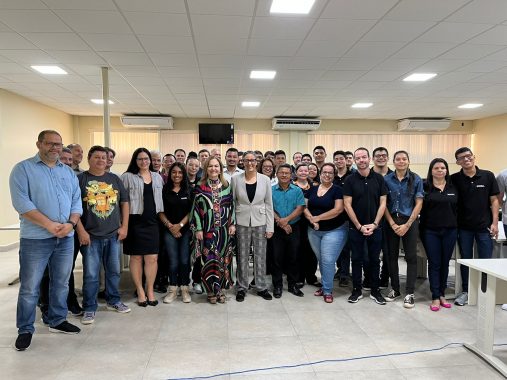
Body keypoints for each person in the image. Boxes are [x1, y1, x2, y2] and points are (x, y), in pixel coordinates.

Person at [10, 130, 82, 351]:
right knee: (30, 287)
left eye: (58, 144)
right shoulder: (23, 170)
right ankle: (25, 328)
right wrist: (49, 225)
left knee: (61, 282)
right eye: (50, 143)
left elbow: (76, 201)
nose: (55, 148)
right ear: (39, 144)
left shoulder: (67, 172)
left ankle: (57, 320)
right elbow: (22, 204)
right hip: (36, 238)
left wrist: (70, 224)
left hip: (66, 237)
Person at [76, 146, 131, 325]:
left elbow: (125, 202)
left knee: (114, 271)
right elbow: (73, 208)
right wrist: (81, 231)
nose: (101, 160)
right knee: (91, 274)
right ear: (89, 159)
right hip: (90, 236)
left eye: (104, 157)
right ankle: (89, 307)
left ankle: (113, 300)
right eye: (97, 157)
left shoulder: (114, 179)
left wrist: (124, 227)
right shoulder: (80, 179)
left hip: (113, 235)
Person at [451, 147, 499, 306]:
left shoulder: (488, 176)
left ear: (474, 157)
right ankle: (466, 291)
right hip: (463, 228)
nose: (466, 159)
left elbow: (494, 201)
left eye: (468, 156)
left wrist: (494, 223)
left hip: (484, 227)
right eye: (461, 158)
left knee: (486, 260)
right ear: (457, 162)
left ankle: (486, 292)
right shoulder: (454, 179)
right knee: (465, 260)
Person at [343, 147, 388, 305]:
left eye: (364, 157)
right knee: (356, 259)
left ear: (369, 159)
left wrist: (375, 224)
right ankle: (356, 290)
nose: (361, 160)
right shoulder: (350, 180)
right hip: (356, 228)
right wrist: (359, 226)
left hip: (376, 227)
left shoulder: (379, 179)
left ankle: (375, 291)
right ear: (354, 160)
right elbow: (347, 205)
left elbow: (383, 203)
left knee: (375, 260)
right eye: (358, 158)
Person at [121, 148, 164, 307]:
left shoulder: (157, 177)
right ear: (135, 160)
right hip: (134, 223)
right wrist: (123, 225)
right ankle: (139, 290)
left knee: (152, 258)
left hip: (152, 223)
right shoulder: (127, 177)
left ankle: (150, 290)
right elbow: (122, 202)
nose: (144, 162)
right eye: (140, 159)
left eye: (146, 159)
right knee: (136, 257)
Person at [191, 157, 235, 304]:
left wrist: (232, 224)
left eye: (216, 166)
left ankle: (221, 289)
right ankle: (210, 290)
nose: (213, 169)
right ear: (206, 168)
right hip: (207, 231)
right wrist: (198, 228)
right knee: (208, 260)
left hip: (223, 231)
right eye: (210, 166)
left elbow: (232, 206)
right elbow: (196, 210)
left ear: (220, 169)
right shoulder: (200, 185)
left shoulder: (227, 185)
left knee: (223, 260)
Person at [232, 151, 274, 302]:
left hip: (261, 221)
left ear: (257, 162)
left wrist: (270, 227)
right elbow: (232, 203)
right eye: (246, 160)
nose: (250, 163)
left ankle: (261, 287)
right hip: (241, 221)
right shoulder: (236, 179)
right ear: (242, 162)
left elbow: (269, 204)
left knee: (260, 256)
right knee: (242, 256)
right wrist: (232, 223)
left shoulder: (265, 180)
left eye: (253, 160)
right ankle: (242, 287)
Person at [383, 151, 423, 308]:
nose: (401, 161)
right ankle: (395, 289)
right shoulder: (386, 180)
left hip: (410, 221)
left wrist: (407, 225)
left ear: (408, 161)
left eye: (404, 159)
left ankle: (409, 292)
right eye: (398, 159)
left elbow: (419, 203)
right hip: (391, 220)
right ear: (393, 162)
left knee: (411, 257)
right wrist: (392, 224)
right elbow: (383, 204)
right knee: (391, 256)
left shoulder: (416, 179)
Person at [304, 163, 348, 303]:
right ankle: (324, 286)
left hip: (335, 230)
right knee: (322, 259)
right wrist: (312, 219)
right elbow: (304, 206)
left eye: (330, 173)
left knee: (328, 260)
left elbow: (338, 210)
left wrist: (318, 218)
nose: (327, 175)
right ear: (320, 173)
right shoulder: (312, 189)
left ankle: (328, 290)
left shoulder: (338, 190)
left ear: (334, 175)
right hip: (314, 231)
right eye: (324, 172)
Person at [420, 158, 458, 311]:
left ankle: (442, 293)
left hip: (450, 230)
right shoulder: (425, 187)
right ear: (431, 170)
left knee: (445, 263)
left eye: (443, 167)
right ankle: (435, 296)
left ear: (447, 170)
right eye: (436, 168)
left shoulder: (453, 187)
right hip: (430, 231)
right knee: (434, 263)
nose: (440, 170)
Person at [160, 162, 193, 304]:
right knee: (173, 261)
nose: (177, 175)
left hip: (185, 230)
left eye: (180, 172)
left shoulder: (189, 190)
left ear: (184, 174)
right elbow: (160, 211)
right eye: (174, 172)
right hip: (168, 230)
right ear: (170, 173)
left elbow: (191, 212)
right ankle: (172, 289)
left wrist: (179, 226)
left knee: (184, 261)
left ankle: (185, 289)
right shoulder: (164, 190)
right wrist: (170, 226)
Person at [271, 164, 305, 298]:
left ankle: (292, 285)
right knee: (276, 258)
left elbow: (300, 207)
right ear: (277, 174)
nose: (284, 175)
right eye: (281, 173)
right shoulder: (271, 190)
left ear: (291, 175)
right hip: (277, 228)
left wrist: (286, 220)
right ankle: (278, 286)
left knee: (293, 257)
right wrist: (281, 222)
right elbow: (268, 207)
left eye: (287, 173)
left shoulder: (297, 190)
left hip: (294, 227)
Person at [293, 163, 320, 288]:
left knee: (311, 251)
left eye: (306, 170)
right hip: (296, 222)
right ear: (296, 172)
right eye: (301, 170)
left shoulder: (315, 187)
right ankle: (298, 277)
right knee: (297, 250)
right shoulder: (291, 186)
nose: (304, 172)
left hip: (311, 222)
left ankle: (311, 276)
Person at [371, 147, 392, 290]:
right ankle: (371, 278)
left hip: (390, 219)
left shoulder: (394, 175)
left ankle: (384, 278)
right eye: (377, 156)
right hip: (372, 218)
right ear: (373, 158)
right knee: (371, 253)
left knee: (388, 252)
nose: (381, 158)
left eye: (384, 155)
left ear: (387, 158)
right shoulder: (368, 174)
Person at [332, 150, 353, 287]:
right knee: (336, 247)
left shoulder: (353, 176)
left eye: (341, 159)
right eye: (336, 159)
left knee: (345, 247)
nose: (339, 161)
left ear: (346, 160)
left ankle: (345, 274)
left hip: (348, 217)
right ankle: (340, 270)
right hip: (334, 217)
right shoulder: (331, 177)